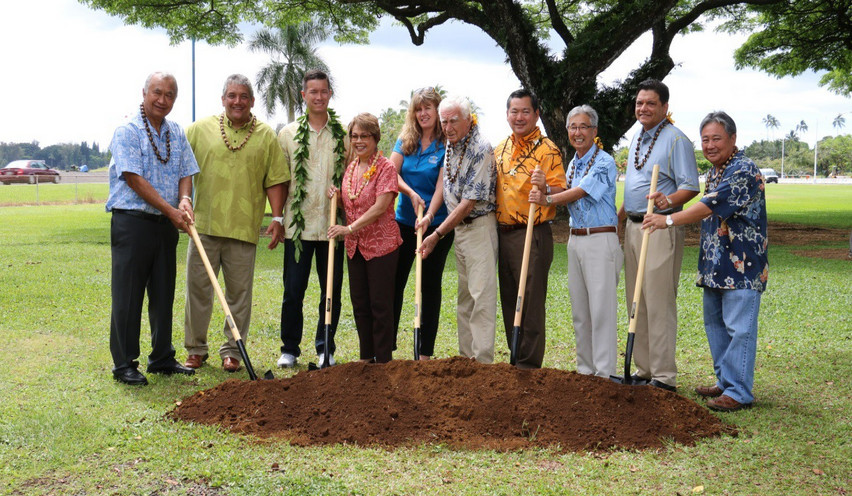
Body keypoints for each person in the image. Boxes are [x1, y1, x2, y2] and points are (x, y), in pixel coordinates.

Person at [643, 111, 768, 411]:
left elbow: (707, 206)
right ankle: (725, 382)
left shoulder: (743, 170)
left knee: (739, 328)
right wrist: (669, 200)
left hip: (742, 266)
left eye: (716, 138)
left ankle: (739, 392)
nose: (710, 145)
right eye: (705, 140)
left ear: (733, 139)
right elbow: (700, 201)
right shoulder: (716, 171)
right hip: (716, 264)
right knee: (716, 326)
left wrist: (667, 221)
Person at [183, 74, 289, 372]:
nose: (237, 101)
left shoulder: (266, 135)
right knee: (198, 290)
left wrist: (277, 217)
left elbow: (276, 179)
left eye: (243, 96)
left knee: (239, 294)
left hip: (244, 228)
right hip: (203, 226)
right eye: (232, 95)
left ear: (252, 101)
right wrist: (184, 200)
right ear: (223, 99)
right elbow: (181, 168)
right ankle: (196, 348)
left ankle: (232, 350)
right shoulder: (199, 130)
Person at [105, 72, 199, 385]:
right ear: (144, 92)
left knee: (163, 294)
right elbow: (134, 179)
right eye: (157, 92)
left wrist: (184, 200)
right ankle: (124, 364)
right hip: (133, 223)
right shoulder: (127, 131)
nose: (162, 99)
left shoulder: (176, 132)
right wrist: (171, 210)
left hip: (166, 225)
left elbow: (186, 171)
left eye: (169, 94)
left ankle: (161, 357)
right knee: (128, 296)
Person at [618, 78, 700, 391]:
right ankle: (644, 369)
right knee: (635, 298)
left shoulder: (676, 139)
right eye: (640, 103)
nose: (644, 108)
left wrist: (670, 201)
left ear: (665, 107)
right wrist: (620, 217)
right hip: (633, 227)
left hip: (660, 226)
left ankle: (664, 376)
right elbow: (634, 188)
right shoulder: (637, 138)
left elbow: (690, 185)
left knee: (658, 299)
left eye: (651, 103)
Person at [529, 105, 621, 378]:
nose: (577, 132)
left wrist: (547, 199)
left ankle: (604, 373)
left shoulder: (604, 161)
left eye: (583, 127)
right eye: (573, 127)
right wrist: (545, 186)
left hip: (600, 239)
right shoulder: (574, 162)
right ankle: (585, 370)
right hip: (576, 240)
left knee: (601, 309)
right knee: (581, 310)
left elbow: (580, 192)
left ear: (594, 131)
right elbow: (567, 188)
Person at [276, 69, 348, 369]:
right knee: (293, 291)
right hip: (298, 227)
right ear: (303, 95)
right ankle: (289, 348)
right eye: (313, 92)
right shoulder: (288, 134)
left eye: (324, 91)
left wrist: (342, 196)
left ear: (330, 94)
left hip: (332, 227)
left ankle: (325, 347)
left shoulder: (343, 135)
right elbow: (280, 179)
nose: (319, 96)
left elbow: (351, 178)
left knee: (330, 291)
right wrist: (278, 219)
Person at [419, 95, 498, 363]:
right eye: (445, 122)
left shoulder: (480, 147)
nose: (449, 127)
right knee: (464, 299)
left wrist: (437, 234)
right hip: (460, 232)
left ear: (468, 119)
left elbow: (467, 203)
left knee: (481, 297)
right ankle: (467, 361)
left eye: (454, 120)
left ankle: (483, 362)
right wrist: (430, 215)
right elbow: (446, 184)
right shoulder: (452, 145)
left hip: (478, 226)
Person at [493, 89, 567, 369]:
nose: (519, 117)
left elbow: (561, 187)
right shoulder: (500, 149)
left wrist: (546, 188)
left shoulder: (548, 150)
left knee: (531, 301)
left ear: (536, 114)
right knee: (510, 297)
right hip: (503, 232)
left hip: (532, 234)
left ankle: (528, 364)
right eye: (514, 111)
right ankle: (514, 356)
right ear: (507, 114)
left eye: (525, 111)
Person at [327, 113, 401, 363]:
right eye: (355, 136)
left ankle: (383, 360)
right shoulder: (351, 168)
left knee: (380, 305)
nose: (359, 141)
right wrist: (337, 195)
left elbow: (380, 206)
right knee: (360, 303)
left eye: (364, 136)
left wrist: (348, 229)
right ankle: (365, 357)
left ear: (375, 137)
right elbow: (353, 201)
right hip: (356, 247)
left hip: (382, 246)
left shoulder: (386, 167)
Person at [391, 87, 454, 360]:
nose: (423, 113)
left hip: (436, 226)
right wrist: (411, 193)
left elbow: (442, 187)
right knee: (394, 284)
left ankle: (424, 353)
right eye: (418, 108)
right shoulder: (406, 140)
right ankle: (386, 348)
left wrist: (429, 216)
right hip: (404, 223)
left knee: (429, 287)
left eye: (428, 108)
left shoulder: (446, 144)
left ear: (438, 111)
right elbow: (391, 174)